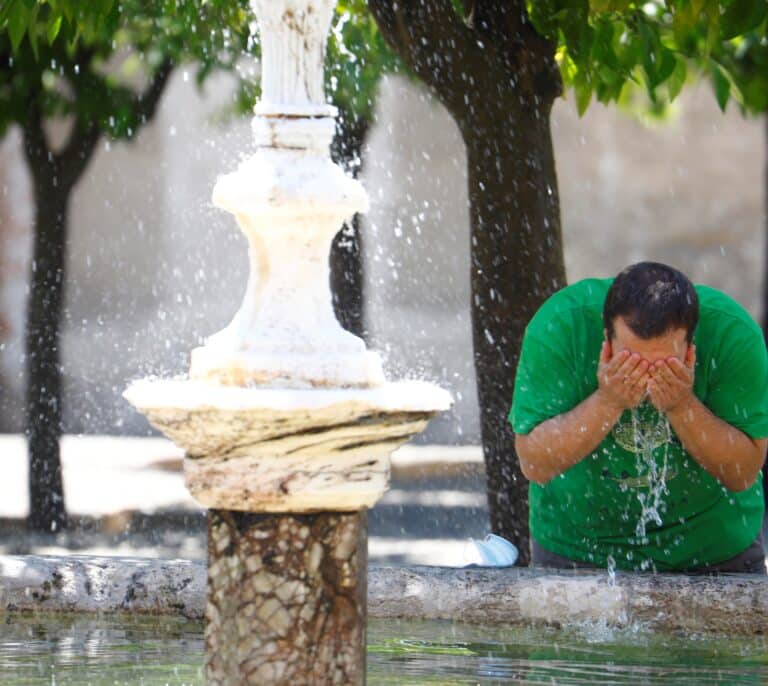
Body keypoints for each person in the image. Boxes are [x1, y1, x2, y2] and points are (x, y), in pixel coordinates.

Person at [510, 262, 768, 573]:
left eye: (664, 364)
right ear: (606, 340)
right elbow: (534, 463)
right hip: (578, 548)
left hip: (715, 549)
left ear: (690, 348)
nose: (646, 377)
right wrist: (607, 402)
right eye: (630, 361)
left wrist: (683, 405)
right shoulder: (561, 326)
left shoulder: (732, 335)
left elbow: (742, 472)